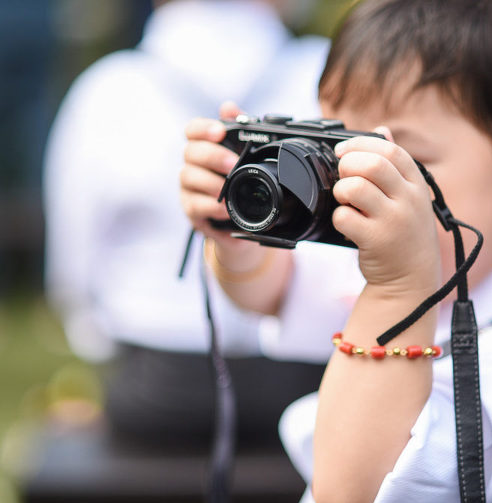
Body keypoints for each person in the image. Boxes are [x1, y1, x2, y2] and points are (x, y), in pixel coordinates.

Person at [180, 0, 492, 503]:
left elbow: (349, 498)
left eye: (405, 162)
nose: (357, 189)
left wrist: (398, 292)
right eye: (340, 151)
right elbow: (272, 291)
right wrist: (239, 231)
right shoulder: (446, 274)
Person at [44, 0, 329, 450]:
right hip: (309, 381)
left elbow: (73, 267)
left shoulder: (109, 87)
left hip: (158, 384)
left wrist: (102, 337)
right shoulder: (327, 70)